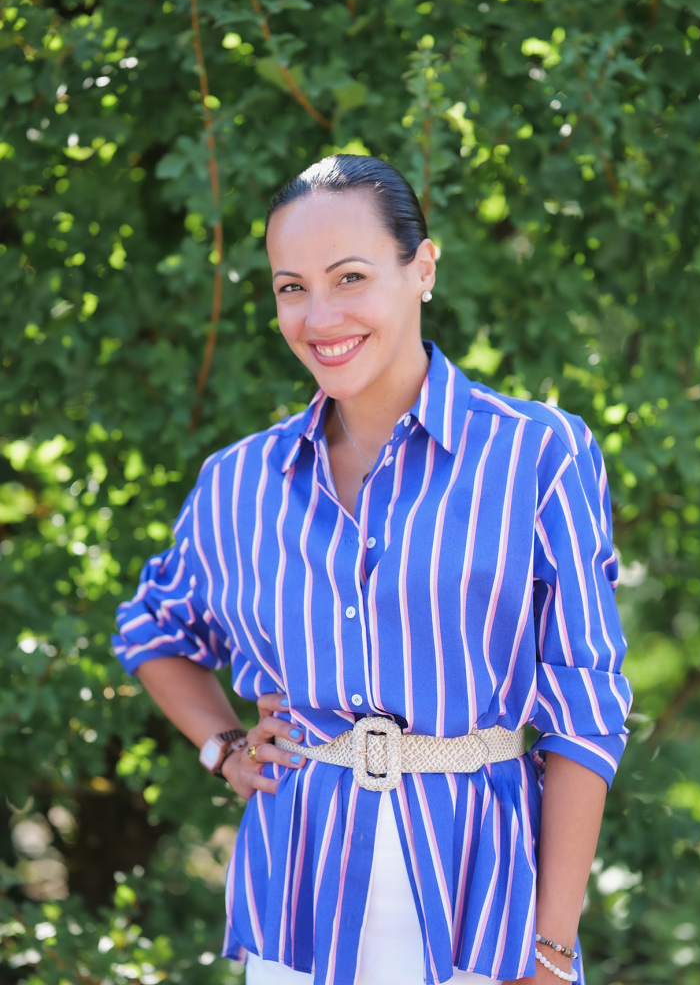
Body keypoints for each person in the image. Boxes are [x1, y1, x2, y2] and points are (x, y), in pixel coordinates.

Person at [113, 155, 632, 985]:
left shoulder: (538, 453)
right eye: (291, 287)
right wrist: (222, 748)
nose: (320, 316)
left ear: (421, 268)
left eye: (349, 277)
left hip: (483, 919)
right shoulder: (238, 482)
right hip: (297, 919)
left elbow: (585, 710)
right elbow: (153, 625)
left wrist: (551, 947)